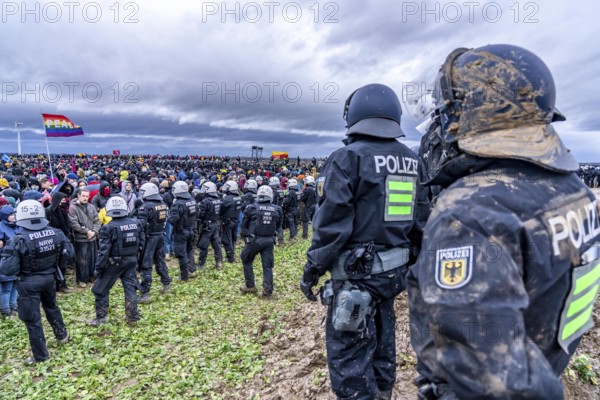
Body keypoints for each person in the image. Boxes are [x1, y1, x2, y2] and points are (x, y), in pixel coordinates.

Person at [404, 44, 600, 399]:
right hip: (548, 362)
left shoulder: (469, 213)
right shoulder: (574, 192)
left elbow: (497, 381)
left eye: (447, 111)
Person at [300, 83, 428, 400]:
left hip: (355, 281)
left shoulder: (346, 159)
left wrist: (313, 268)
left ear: (353, 116)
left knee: (349, 360)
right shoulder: (413, 161)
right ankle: (384, 392)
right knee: (384, 338)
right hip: (392, 277)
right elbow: (421, 223)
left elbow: (331, 225)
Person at [0, 200, 73, 364]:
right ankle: (62, 336)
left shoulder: (18, 239)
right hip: (50, 278)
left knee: (33, 319)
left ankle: (41, 355)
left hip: (28, 283)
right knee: (52, 307)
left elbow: (7, 269)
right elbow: (69, 254)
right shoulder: (56, 232)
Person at [88, 197, 144, 326]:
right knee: (130, 289)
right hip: (131, 260)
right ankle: (132, 317)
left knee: (100, 289)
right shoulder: (136, 223)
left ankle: (101, 318)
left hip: (114, 263)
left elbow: (103, 251)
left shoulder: (108, 228)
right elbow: (141, 242)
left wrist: (98, 268)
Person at [240, 186, 283, 297]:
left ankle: (250, 286)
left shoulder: (252, 208)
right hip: (269, 241)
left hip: (255, 240)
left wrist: (247, 236)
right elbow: (278, 225)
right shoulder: (277, 209)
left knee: (246, 258)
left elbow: (243, 225)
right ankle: (267, 291)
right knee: (267, 266)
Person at [136, 183, 172, 303]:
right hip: (160, 235)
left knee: (146, 264)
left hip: (150, 237)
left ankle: (145, 293)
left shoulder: (145, 207)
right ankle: (166, 284)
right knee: (160, 260)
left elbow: (140, 224)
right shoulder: (162, 204)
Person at [68, 188, 101, 288]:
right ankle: (81, 279)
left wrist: (94, 231)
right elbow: (74, 224)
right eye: (83, 196)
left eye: (87, 196)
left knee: (93, 259)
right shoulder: (73, 208)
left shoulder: (91, 206)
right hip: (80, 238)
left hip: (93, 238)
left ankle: (92, 276)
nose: (85, 198)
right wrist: (87, 231)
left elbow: (97, 221)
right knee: (82, 260)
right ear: (78, 195)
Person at [167, 181, 197, 281]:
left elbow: (172, 220)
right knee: (189, 250)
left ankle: (184, 276)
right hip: (191, 230)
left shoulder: (177, 204)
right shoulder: (192, 200)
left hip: (180, 232)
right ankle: (192, 270)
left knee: (181, 253)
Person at [196, 182, 223, 270]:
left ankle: (201, 264)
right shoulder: (218, 199)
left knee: (204, 245)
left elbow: (201, 215)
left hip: (207, 225)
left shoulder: (205, 201)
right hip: (216, 224)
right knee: (216, 244)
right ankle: (219, 262)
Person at [0, 205, 19, 317]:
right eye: (11, 214)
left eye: (14, 214)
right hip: (5, 262)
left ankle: (14, 307)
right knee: (6, 288)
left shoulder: (17, 226)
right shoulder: (1, 227)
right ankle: (6, 311)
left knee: (15, 285)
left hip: (16, 261)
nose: (14, 216)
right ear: (5, 216)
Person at [220, 181, 243, 263]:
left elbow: (221, 209)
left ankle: (230, 257)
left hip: (227, 222)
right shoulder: (239, 197)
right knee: (232, 239)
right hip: (235, 221)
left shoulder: (227, 199)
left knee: (227, 240)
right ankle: (232, 254)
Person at [268, 177, 285, 245]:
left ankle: (273, 241)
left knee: (272, 225)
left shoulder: (272, 192)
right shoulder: (280, 190)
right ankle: (281, 240)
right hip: (280, 209)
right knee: (279, 226)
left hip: (273, 209)